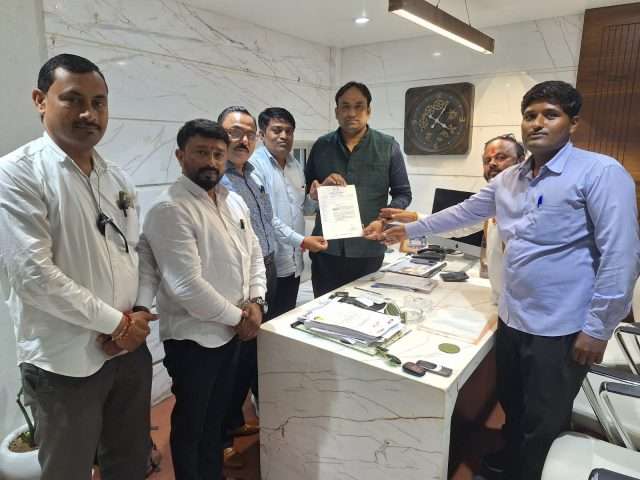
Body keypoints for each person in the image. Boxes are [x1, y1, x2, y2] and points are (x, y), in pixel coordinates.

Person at [366, 80, 640, 480]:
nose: (538, 123)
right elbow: (463, 213)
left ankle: (532, 471)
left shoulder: (600, 172)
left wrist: (598, 328)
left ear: (573, 122)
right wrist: (407, 230)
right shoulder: (509, 179)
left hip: (562, 327)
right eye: (530, 115)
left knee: (543, 418)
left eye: (551, 115)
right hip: (513, 318)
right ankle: (513, 462)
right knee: (514, 403)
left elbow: (621, 254)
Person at [0, 53, 155, 480]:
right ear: (40, 100)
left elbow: (134, 252)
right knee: (67, 470)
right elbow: (34, 276)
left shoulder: (116, 177)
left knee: (129, 461)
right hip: (64, 363)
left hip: (128, 353)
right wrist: (117, 324)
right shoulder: (17, 174)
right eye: (73, 99)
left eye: (99, 102)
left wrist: (140, 313)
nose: (89, 113)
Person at [137, 118, 265, 480]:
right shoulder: (170, 209)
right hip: (194, 340)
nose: (211, 161)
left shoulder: (232, 200)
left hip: (230, 333)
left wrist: (257, 301)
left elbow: (254, 253)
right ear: (181, 156)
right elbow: (186, 286)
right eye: (201, 152)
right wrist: (241, 319)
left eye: (218, 154)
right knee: (193, 425)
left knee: (216, 419)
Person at [379, 133, 525, 304]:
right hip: (501, 302)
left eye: (501, 157)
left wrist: (407, 230)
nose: (492, 163)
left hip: (528, 306)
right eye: (487, 160)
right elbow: (457, 222)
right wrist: (412, 218)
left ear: (521, 161)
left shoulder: (534, 200)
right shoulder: (491, 201)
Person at [305, 81, 412, 297]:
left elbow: (403, 194)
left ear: (368, 111)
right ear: (337, 112)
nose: (351, 113)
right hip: (326, 249)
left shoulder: (388, 146)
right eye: (345, 106)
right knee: (323, 310)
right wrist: (315, 192)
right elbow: (307, 192)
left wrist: (383, 220)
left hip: (368, 249)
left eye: (358, 106)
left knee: (365, 308)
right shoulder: (321, 146)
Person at [217, 107, 275, 456]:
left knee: (253, 355)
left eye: (249, 134)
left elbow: (266, 225)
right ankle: (223, 437)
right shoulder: (217, 181)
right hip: (237, 283)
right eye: (235, 132)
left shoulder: (252, 175)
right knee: (233, 362)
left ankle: (235, 421)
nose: (243, 140)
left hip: (264, 272)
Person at [250, 107, 328, 317]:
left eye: (289, 131)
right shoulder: (253, 167)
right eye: (277, 130)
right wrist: (302, 241)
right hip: (268, 266)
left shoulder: (296, 166)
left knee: (285, 318)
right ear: (261, 134)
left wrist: (313, 197)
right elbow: (266, 218)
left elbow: (304, 209)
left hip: (294, 263)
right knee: (266, 325)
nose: (284, 136)